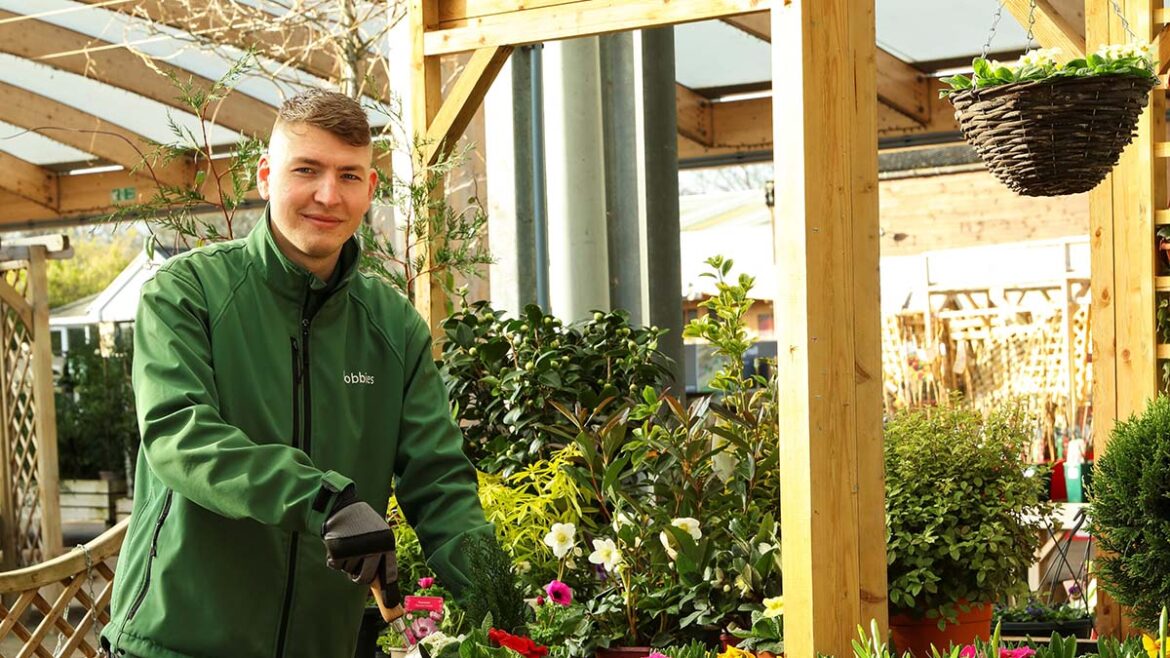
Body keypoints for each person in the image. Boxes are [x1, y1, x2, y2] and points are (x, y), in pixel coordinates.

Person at [100, 90, 493, 657]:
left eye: (349, 175)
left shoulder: (394, 328)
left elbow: (440, 485)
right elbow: (180, 437)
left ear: (370, 190)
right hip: (177, 642)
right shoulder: (188, 292)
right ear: (265, 176)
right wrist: (326, 501)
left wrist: (502, 606)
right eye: (306, 169)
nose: (328, 195)